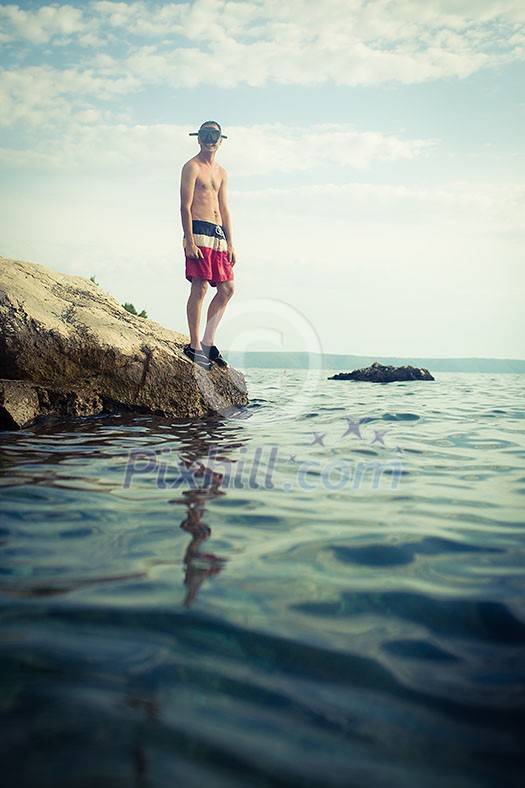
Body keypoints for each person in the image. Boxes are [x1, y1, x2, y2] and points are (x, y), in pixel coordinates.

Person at [180, 120, 236, 370]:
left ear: (221, 140)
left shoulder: (222, 172)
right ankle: (194, 346)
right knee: (200, 287)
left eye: (214, 135)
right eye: (205, 135)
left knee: (227, 289)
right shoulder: (191, 167)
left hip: (218, 235)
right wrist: (189, 240)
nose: (210, 139)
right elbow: (185, 206)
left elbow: (224, 208)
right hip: (199, 231)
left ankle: (208, 342)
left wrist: (231, 242)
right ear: (198, 138)